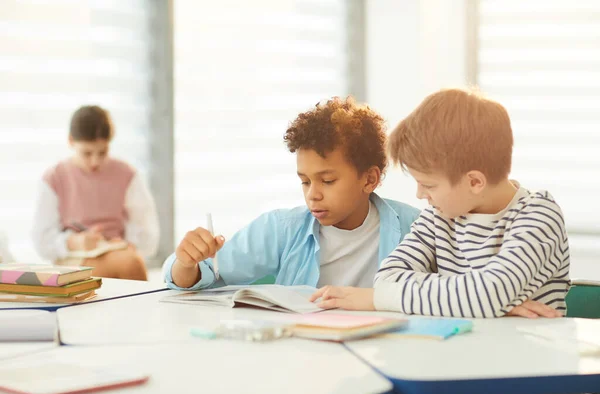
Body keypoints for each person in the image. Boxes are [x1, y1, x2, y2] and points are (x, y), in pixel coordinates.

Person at [310, 89, 570, 319]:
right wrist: (485, 303)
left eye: (429, 185)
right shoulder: (439, 217)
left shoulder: (538, 215)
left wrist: (488, 300)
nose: (420, 195)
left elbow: (489, 296)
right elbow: (386, 279)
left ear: (475, 182)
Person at [163, 97, 420, 290]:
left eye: (327, 181)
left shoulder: (416, 229)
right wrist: (187, 264)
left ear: (370, 179)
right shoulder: (282, 229)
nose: (313, 195)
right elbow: (203, 276)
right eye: (305, 182)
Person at [32, 105, 159, 281]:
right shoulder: (54, 178)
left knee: (129, 262)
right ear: (70, 141)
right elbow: (42, 240)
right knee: (128, 266)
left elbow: (146, 229)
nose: (95, 161)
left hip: (116, 250)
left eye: (102, 152)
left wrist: (127, 243)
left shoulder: (126, 174)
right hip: (73, 256)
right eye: (87, 153)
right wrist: (74, 242)